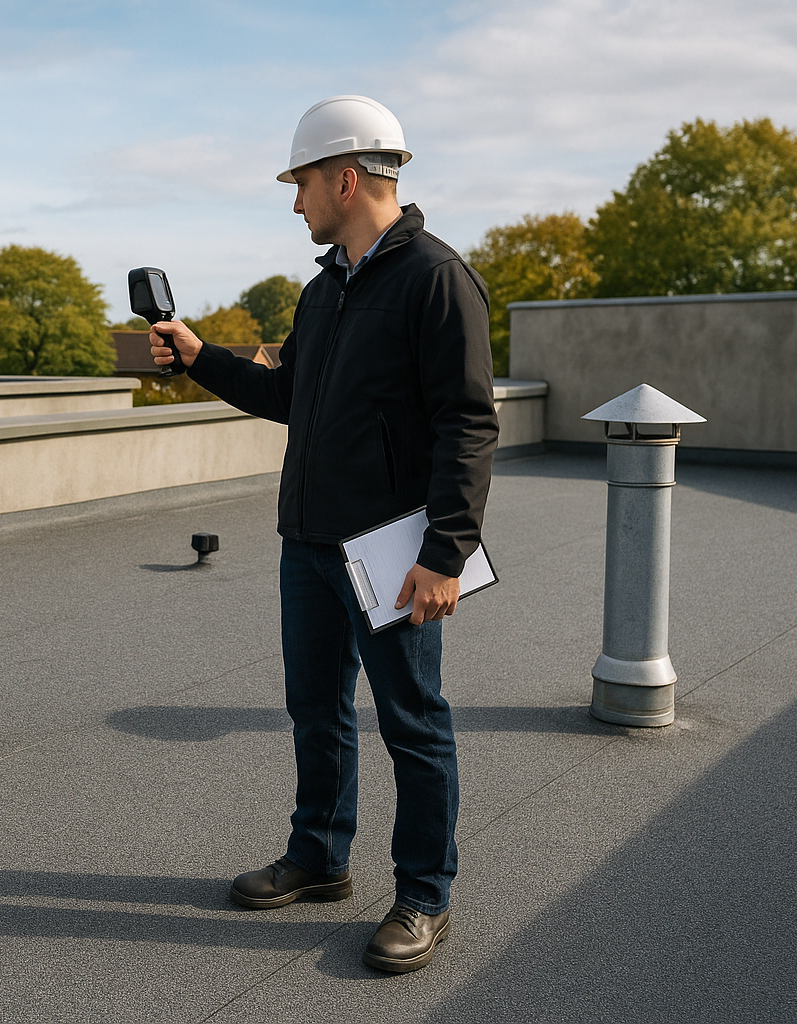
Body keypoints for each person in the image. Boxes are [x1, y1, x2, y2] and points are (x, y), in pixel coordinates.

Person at [148, 95, 497, 973]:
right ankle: (320, 858)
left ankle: (424, 897)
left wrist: (444, 552)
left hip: (391, 546)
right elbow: (286, 395)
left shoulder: (436, 279)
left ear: (346, 178)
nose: (294, 201)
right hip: (308, 544)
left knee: (413, 723)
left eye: (300, 182)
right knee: (316, 709)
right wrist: (200, 357)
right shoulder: (321, 290)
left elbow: (467, 423)